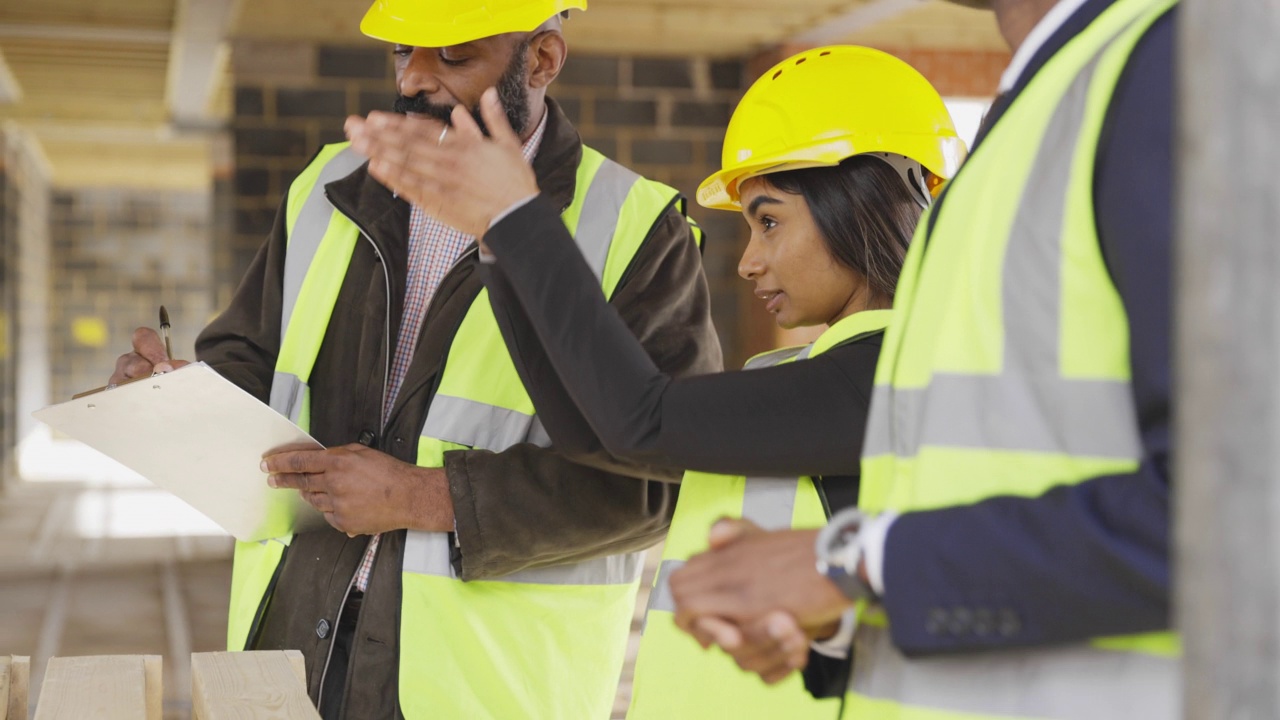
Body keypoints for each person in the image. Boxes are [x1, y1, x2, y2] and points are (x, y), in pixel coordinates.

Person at [107, 0, 722, 717]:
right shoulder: (327, 186)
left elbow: (656, 489)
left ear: (543, 59)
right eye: (403, 53)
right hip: (295, 641)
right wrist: (176, 396)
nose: (417, 79)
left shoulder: (634, 228)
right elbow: (250, 361)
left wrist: (424, 497)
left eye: (454, 56)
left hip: (483, 683)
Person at [344, 45, 965, 716]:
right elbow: (602, 437)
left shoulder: (895, 381)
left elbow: (644, 418)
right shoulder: (823, 379)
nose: (749, 263)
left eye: (770, 221)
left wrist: (521, 219)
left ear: (864, 201)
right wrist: (498, 243)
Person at [662, 0, 1181, 717]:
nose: (751, 261)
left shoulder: (1166, 67)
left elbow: (1237, 516)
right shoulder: (1038, 112)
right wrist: (844, 612)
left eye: (770, 220)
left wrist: (856, 565)